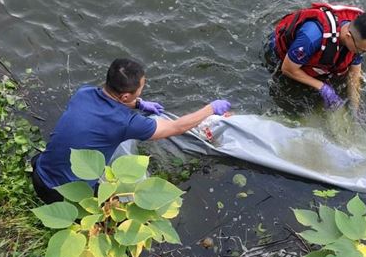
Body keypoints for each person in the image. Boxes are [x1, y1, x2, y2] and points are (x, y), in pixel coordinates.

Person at [31, 58, 231, 203]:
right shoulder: (125, 123)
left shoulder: (83, 92)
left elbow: (111, 104)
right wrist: (211, 108)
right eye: (140, 90)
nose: (141, 91)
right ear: (125, 96)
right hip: (61, 197)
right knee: (127, 200)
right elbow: (175, 127)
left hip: (39, 174)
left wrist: (140, 104)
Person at [268, 2, 366, 111]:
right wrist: (323, 88)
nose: (362, 53)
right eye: (362, 50)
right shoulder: (312, 37)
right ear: (348, 36)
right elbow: (287, 69)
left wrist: (356, 107)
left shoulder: (359, 35)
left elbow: (354, 73)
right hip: (285, 53)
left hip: (326, 49)